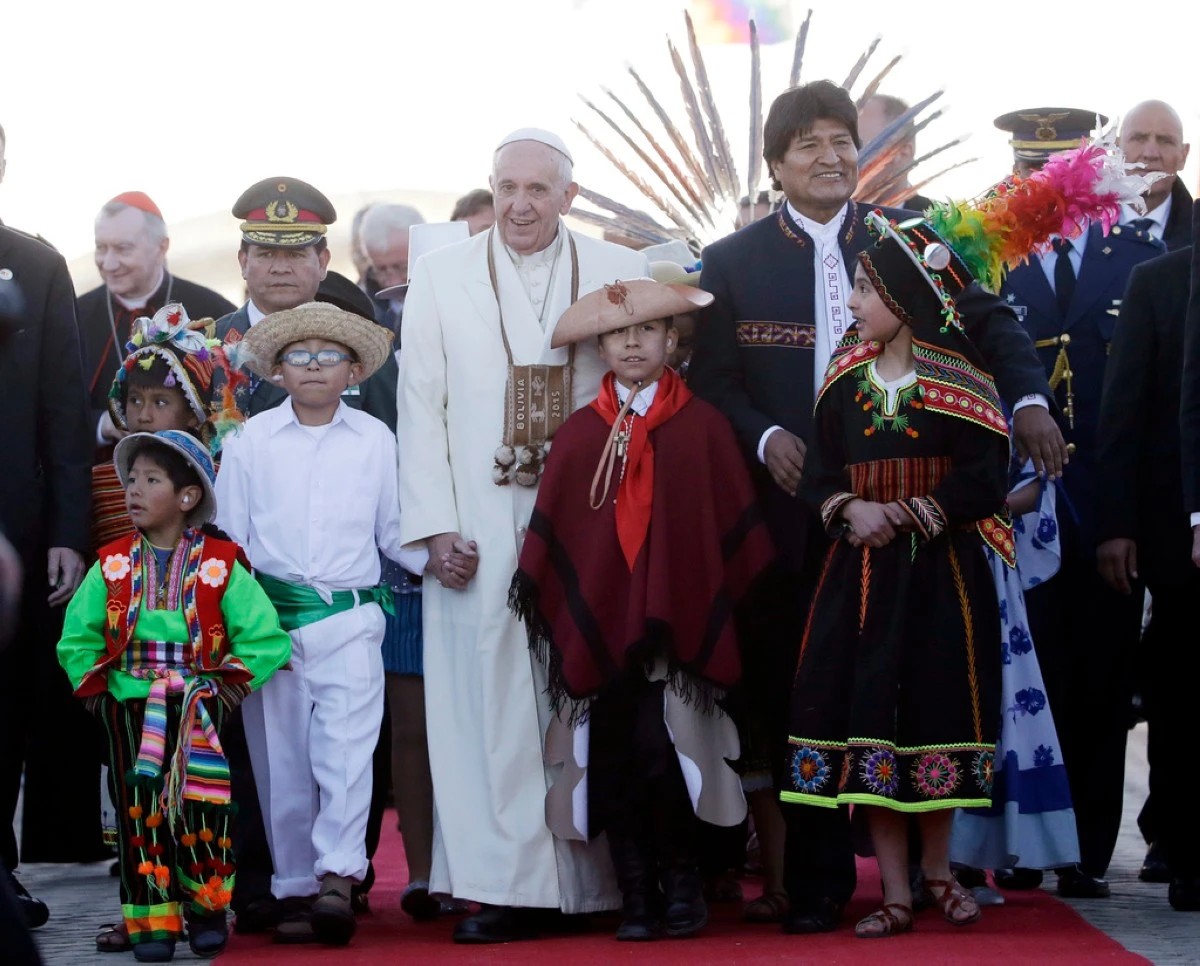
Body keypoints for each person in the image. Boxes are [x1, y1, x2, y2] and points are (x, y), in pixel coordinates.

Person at [688, 80, 1060, 935]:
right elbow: (714, 382)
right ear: (776, 163)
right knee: (802, 695)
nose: (831, 157)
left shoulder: (913, 238)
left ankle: (929, 874)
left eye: (842, 141)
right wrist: (767, 436)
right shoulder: (733, 261)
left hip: (911, 523)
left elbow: (996, 326)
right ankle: (815, 884)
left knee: (915, 691)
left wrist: (1031, 404)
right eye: (809, 144)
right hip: (792, 513)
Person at [397, 127, 650, 944]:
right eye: (506, 187)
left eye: (538, 189)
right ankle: (501, 885)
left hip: (592, 522)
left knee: (587, 693)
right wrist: (434, 530)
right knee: (490, 706)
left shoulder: (620, 271)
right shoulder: (438, 277)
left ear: (569, 197)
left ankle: (604, 881)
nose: (518, 204)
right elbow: (420, 410)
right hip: (476, 523)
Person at [510, 278, 774, 941]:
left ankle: (683, 884)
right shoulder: (577, 436)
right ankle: (635, 893)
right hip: (606, 634)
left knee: (671, 753)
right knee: (617, 754)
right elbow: (566, 536)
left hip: (679, 639)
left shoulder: (703, 428)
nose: (633, 342)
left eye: (649, 331)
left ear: (672, 343)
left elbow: (726, 533)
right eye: (620, 333)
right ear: (600, 345)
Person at [785, 211, 1011, 937]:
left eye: (863, 288)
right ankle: (892, 892)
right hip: (858, 579)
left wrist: (914, 511)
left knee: (937, 713)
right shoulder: (844, 380)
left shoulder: (960, 379)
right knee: (869, 722)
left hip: (940, 577)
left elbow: (986, 476)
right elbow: (817, 473)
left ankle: (939, 876)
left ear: (905, 294)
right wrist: (850, 509)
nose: (851, 303)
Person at [216, 301, 430, 945]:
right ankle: (292, 887)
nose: (313, 366)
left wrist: (439, 556)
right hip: (271, 622)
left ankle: (339, 876)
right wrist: (235, 623)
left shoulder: (375, 440)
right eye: (299, 356)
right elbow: (231, 538)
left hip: (351, 616)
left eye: (329, 356)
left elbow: (395, 533)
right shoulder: (250, 442)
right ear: (277, 371)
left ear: (353, 370)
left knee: (346, 750)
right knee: (279, 755)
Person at [997, 106, 1168, 899]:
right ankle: (1013, 844)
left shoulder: (1140, 254)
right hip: (1010, 503)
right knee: (1019, 678)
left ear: (1086, 173)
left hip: (1103, 509)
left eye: (1059, 174)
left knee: (1099, 680)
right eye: (1032, 175)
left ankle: (1085, 853)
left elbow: (1150, 404)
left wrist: (1125, 520)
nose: (1047, 191)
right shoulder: (984, 261)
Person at [57, 430, 291, 962]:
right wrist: (103, 696)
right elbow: (78, 639)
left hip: (197, 709)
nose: (134, 490)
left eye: (151, 480)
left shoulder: (221, 565)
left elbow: (265, 638)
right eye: (131, 480)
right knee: (139, 812)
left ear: (187, 497)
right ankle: (151, 923)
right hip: (130, 709)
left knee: (202, 808)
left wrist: (223, 693)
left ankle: (207, 912)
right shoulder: (112, 563)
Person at [0, 222, 91, 925]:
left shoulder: (34, 263)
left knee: (5, 705)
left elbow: (64, 409)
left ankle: (0, 874)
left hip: (18, 527)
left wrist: (67, 532)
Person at [1117, 198, 1200, 912]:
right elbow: (1130, 412)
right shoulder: (1161, 280)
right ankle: (1176, 837)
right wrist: (1122, 525)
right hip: (1181, 531)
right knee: (1183, 691)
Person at [216, 177, 399, 424]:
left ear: (323, 263)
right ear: (243, 262)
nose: (280, 268)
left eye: (295, 254)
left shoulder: (364, 346)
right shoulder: (206, 345)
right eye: (266, 253)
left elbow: (393, 441)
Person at [77, 193, 235, 454]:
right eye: (101, 247)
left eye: (123, 248)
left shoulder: (214, 312)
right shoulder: (73, 315)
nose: (108, 263)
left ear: (161, 247)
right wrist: (102, 423)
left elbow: (231, 410)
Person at [91, 303, 243, 552]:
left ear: (194, 414)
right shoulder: (99, 483)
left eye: (161, 402)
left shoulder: (224, 479)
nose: (144, 415)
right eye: (135, 400)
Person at [1117, 100, 1192, 251]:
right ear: (1116, 150)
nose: (1150, 154)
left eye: (1166, 141)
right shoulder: (1080, 229)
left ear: (1183, 156)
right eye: (1138, 138)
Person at [358, 203, 425, 335]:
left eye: (402, 268)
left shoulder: (450, 300)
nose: (392, 283)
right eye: (381, 269)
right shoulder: (357, 310)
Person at [856, 94, 932, 211]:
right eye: (841, 144)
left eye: (859, 146)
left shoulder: (944, 224)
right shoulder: (824, 221)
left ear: (902, 151)